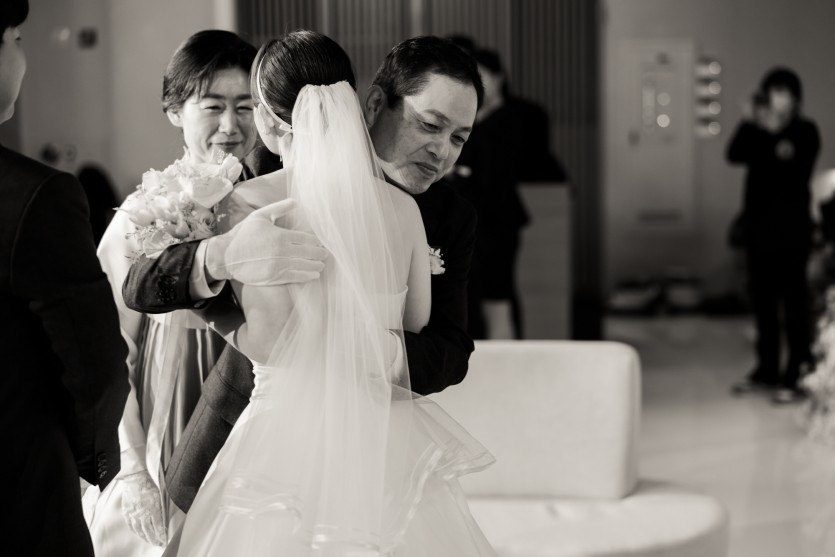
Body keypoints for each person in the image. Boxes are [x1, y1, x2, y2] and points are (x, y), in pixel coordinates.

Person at [121, 35, 481, 514]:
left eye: (459, 138)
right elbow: (141, 284)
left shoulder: (450, 215)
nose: (441, 151)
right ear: (374, 103)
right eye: (430, 125)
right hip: (237, 435)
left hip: (369, 449)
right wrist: (218, 257)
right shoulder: (249, 175)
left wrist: (369, 350)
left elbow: (451, 350)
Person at [83, 30, 287, 556]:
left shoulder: (279, 206)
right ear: (175, 111)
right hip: (168, 412)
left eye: (246, 107)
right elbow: (108, 350)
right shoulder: (141, 217)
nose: (231, 126)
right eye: (213, 106)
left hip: (258, 407)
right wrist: (132, 467)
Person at [0, 1, 130, 555]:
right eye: (16, 40)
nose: (22, 58)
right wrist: (90, 458)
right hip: (20, 494)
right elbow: (95, 365)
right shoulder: (34, 197)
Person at [728, 67, 820, 404]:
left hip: (792, 233)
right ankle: (767, 369)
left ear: (796, 98)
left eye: (784, 92)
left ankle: (797, 371)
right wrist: (749, 121)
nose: (778, 99)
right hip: (758, 231)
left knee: (793, 304)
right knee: (763, 304)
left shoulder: (804, 132)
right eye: (773, 92)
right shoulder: (756, 130)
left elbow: (793, 169)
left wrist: (772, 131)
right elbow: (733, 154)